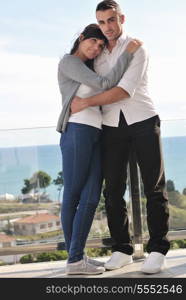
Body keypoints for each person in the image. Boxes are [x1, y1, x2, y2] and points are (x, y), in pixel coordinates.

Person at [70, 0, 170, 274]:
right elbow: (83, 78)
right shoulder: (98, 53)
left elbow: (124, 90)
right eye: (101, 22)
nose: (107, 27)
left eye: (111, 20)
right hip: (111, 126)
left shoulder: (137, 48)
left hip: (143, 121)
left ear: (121, 19)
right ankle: (122, 248)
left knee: (154, 186)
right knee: (113, 189)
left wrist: (87, 104)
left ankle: (158, 249)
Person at [57, 23, 141, 275]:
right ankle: (75, 259)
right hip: (77, 131)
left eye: (101, 45)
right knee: (72, 193)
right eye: (93, 42)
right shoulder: (69, 62)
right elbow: (106, 83)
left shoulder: (88, 67)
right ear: (81, 38)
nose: (96, 48)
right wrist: (128, 53)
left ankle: (78, 256)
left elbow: (102, 87)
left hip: (95, 132)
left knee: (92, 196)